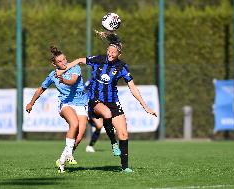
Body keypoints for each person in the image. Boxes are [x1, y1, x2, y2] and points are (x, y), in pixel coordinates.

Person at [56, 37, 157, 173]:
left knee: (123, 133)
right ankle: (113, 143)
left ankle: (125, 167)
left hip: (113, 102)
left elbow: (132, 87)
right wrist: (63, 69)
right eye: (109, 51)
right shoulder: (99, 59)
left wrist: (145, 106)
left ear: (119, 54)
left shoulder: (122, 67)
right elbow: (80, 60)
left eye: (113, 53)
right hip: (95, 100)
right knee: (106, 114)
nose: (110, 54)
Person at [25, 44, 88, 173]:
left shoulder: (75, 67)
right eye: (59, 61)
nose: (63, 62)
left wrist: (63, 80)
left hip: (81, 103)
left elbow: (72, 81)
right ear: (55, 64)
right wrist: (31, 103)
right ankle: (70, 154)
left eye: (64, 59)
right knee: (74, 123)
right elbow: (41, 89)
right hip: (65, 103)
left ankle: (62, 160)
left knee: (80, 136)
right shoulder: (52, 75)